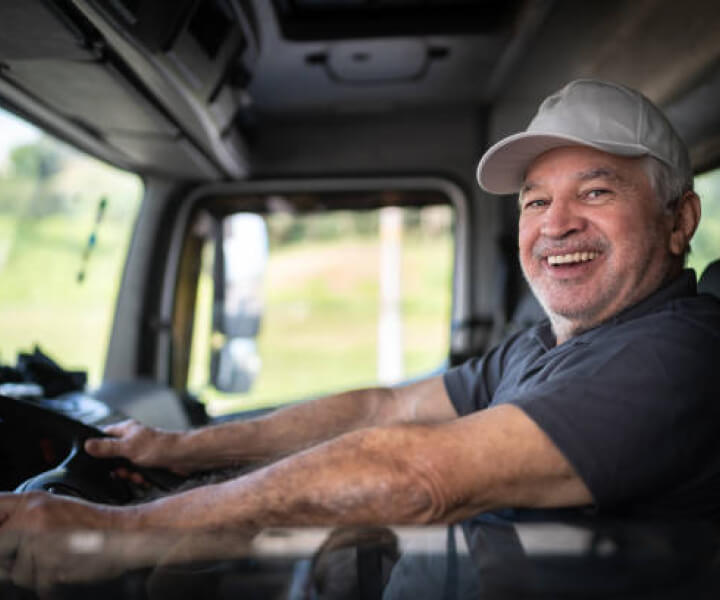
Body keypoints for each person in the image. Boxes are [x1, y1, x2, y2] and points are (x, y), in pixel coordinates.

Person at [1, 79, 719, 537]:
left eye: (595, 192)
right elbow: (381, 410)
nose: (554, 224)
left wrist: (118, 536)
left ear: (679, 219)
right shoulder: (541, 348)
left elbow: (420, 475)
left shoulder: (680, 352)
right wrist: (181, 451)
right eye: (536, 201)